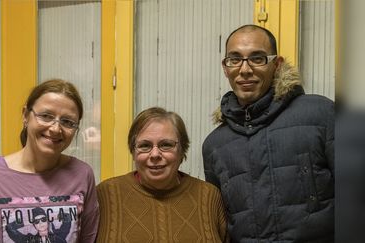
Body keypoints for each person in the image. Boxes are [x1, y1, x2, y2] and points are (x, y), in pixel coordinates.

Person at [202, 24, 334, 242]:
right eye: (235, 59)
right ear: (225, 68)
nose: (245, 69)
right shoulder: (215, 145)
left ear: (277, 64)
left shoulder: (321, 114)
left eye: (257, 58)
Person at [0, 79, 99, 243]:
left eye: (67, 122)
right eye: (46, 116)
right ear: (26, 115)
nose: (55, 129)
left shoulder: (82, 174)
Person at [96, 107, 228, 243]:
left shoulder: (209, 197)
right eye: (145, 146)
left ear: (182, 150)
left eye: (166, 145)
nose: (154, 155)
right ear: (133, 151)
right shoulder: (106, 196)